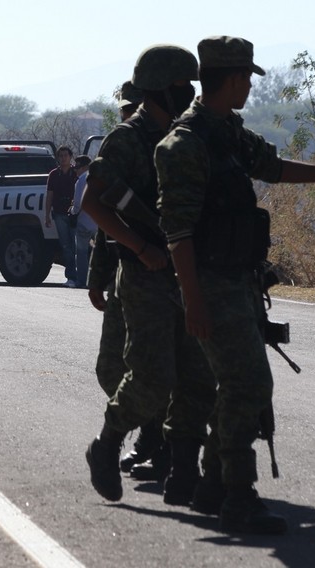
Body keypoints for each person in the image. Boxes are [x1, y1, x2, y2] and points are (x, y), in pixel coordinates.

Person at [154, 35, 315, 535]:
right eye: (247, 79)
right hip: (209, 284)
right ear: (235, 78)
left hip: (237, 280)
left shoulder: (229, 133)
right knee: (250, 384)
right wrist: (193, 300)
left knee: (238, 385)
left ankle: (213, 484)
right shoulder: (185, 144)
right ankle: (239, 496)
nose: (250, 88)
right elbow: (177, 232)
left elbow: (274, 168)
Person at [82, 44, 217, 505]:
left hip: (187, 271)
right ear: (160, 88)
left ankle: (182, 468)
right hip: (144, 275)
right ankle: (107, 444)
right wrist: (140, 247)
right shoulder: (127, 139)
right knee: (152, 377)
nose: (189, 93)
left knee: (195, 375)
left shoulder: (186, 134)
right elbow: (93, 204)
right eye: (182, 86)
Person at [45, 145, 78, 287]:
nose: (63, 158)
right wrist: (47, 215)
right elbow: (49, 195)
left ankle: (80, 276)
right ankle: (71, 277)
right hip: (59, 213)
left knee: (77, 246)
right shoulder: (53, 174)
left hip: (75, 215)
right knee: (66, 246)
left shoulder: (76, 172)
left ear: (70, 157)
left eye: (66, 155)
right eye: (61, 155)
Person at [69, 155, 96, 288]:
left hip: (84, 223)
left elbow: (78, 205)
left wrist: (72, 211)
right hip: (100, 223)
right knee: (100, 253)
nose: (75, 170)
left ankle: (82, 281)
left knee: (81, 253)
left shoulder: (81, 181)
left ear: (85, 166)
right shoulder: (100, 177)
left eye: (78, 167)